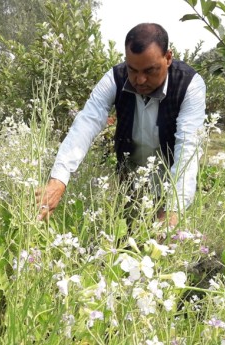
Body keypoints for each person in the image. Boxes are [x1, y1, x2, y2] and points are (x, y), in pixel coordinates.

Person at [35, 23, 206, 227]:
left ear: (168, 58)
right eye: (132, 70)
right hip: (130, 179)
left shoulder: (189, 85)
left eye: (150, 71)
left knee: (164, 243)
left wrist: (173, 210)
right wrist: (58, 180)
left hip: (169, 179)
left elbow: (188, 147)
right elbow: (87, 121)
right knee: (125, 237)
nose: (140, 79)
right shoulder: (115, 77)